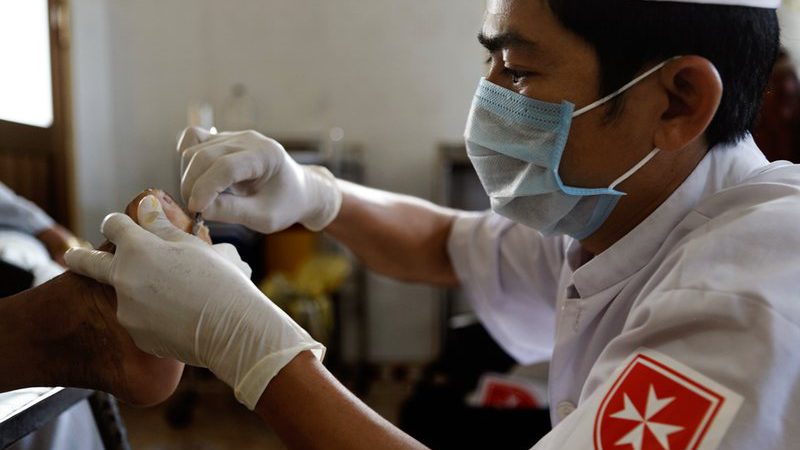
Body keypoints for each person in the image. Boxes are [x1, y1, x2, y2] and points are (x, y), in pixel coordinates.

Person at [66, 0, 800, 449]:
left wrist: (246, 343)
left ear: (677, 101)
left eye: (517, 70)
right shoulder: (629, 210)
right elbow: (448, 244)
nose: (489, 100)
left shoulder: (747, 299)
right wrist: (314, 196)